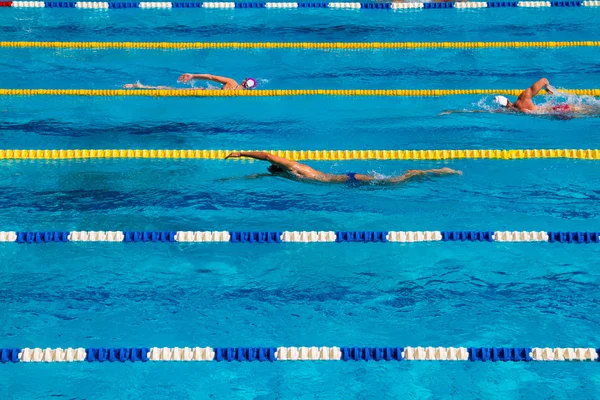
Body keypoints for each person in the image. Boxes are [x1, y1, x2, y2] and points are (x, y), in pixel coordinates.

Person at [224, 151, 461, 185]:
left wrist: (241, 153)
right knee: (393, 184)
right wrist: (235, 179)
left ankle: (434, 171)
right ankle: (425, 173)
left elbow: (266, 155)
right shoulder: (285, 175)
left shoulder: (293, 167)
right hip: (347, 184)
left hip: (350, 179)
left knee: (397, 182)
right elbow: (259, 175)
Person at [123, 73, 257, 90]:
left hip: (203, 94)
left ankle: (141, 86)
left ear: (244, 80)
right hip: (202, 93)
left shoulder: (232, 82)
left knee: (170, 91)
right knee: (171, 91)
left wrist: (193, 76)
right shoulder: (244, 94)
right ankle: (140, 86)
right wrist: (192, 76)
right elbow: (211, 78)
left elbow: (211, 77)